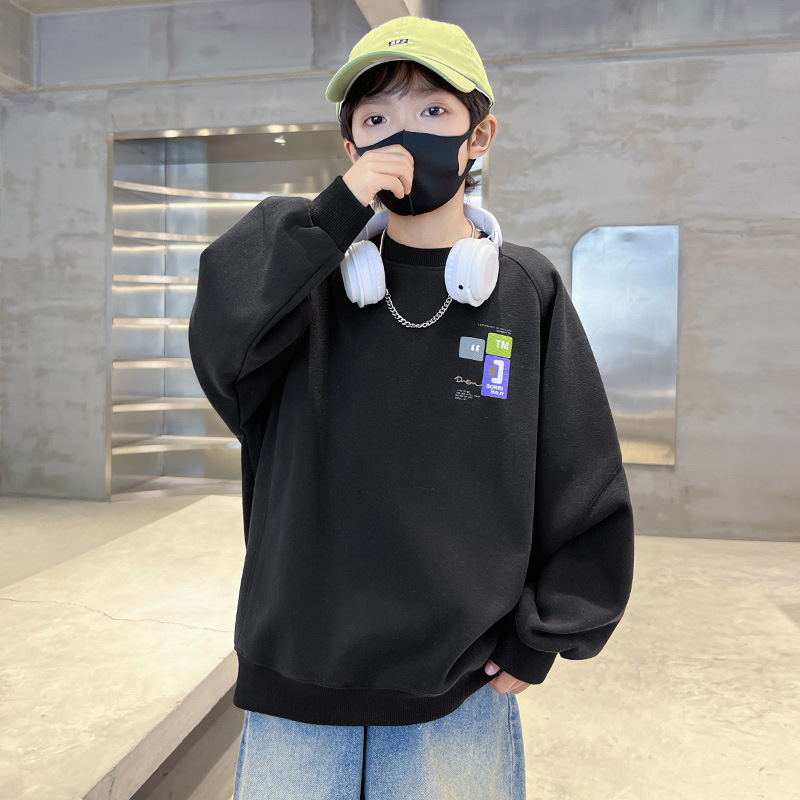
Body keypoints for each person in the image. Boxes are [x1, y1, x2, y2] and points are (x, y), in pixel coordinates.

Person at [188, 15, 635, 800]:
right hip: (298, 678)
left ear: (479, 135)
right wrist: (333, 218)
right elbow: (222, 339)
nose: (402, 136)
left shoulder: (525, 291)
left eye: (432, 111)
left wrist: (544, 635)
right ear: (350, 148)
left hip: (455, 687)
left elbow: (581, 468)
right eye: (376, 119)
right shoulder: (304, 287)